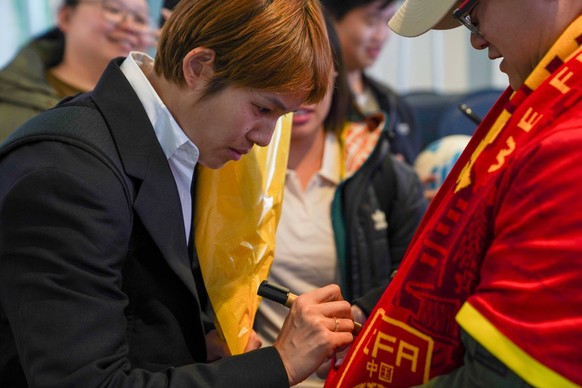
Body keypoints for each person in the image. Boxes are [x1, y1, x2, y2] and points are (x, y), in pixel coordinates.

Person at [0, 0, 357, 387]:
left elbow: (136, 303)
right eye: (262, 108)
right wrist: (279, 364)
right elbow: (86, 381)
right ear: (198, 67)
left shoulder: (177, 143)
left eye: (281, 117)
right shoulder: (67, 172)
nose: (265, 137)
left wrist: (199, 339)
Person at [325, 0, 582, 386]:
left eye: (471, 14)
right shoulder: (553, 99)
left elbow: (504, 378)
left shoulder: (566, 141)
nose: (477, 41)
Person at [254, 14, 427, 387]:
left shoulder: (382, 172)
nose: (299, 94)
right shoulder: (229, 164)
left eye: (314, 78)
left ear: (335, 78)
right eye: (281, 74)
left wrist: (362, 310)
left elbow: (421, 274)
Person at [0, 0, 160, 142]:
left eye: (140, 19)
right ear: (66, 17)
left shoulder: (154, 116)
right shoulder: (8, 99)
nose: (129, 26)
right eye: (114, 10)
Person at [321, 0, 422, 165]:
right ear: (331, 18)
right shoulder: (313, 106)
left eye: (388, 20)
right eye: (371, 22)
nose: (381, 35)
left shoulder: (394, 105)